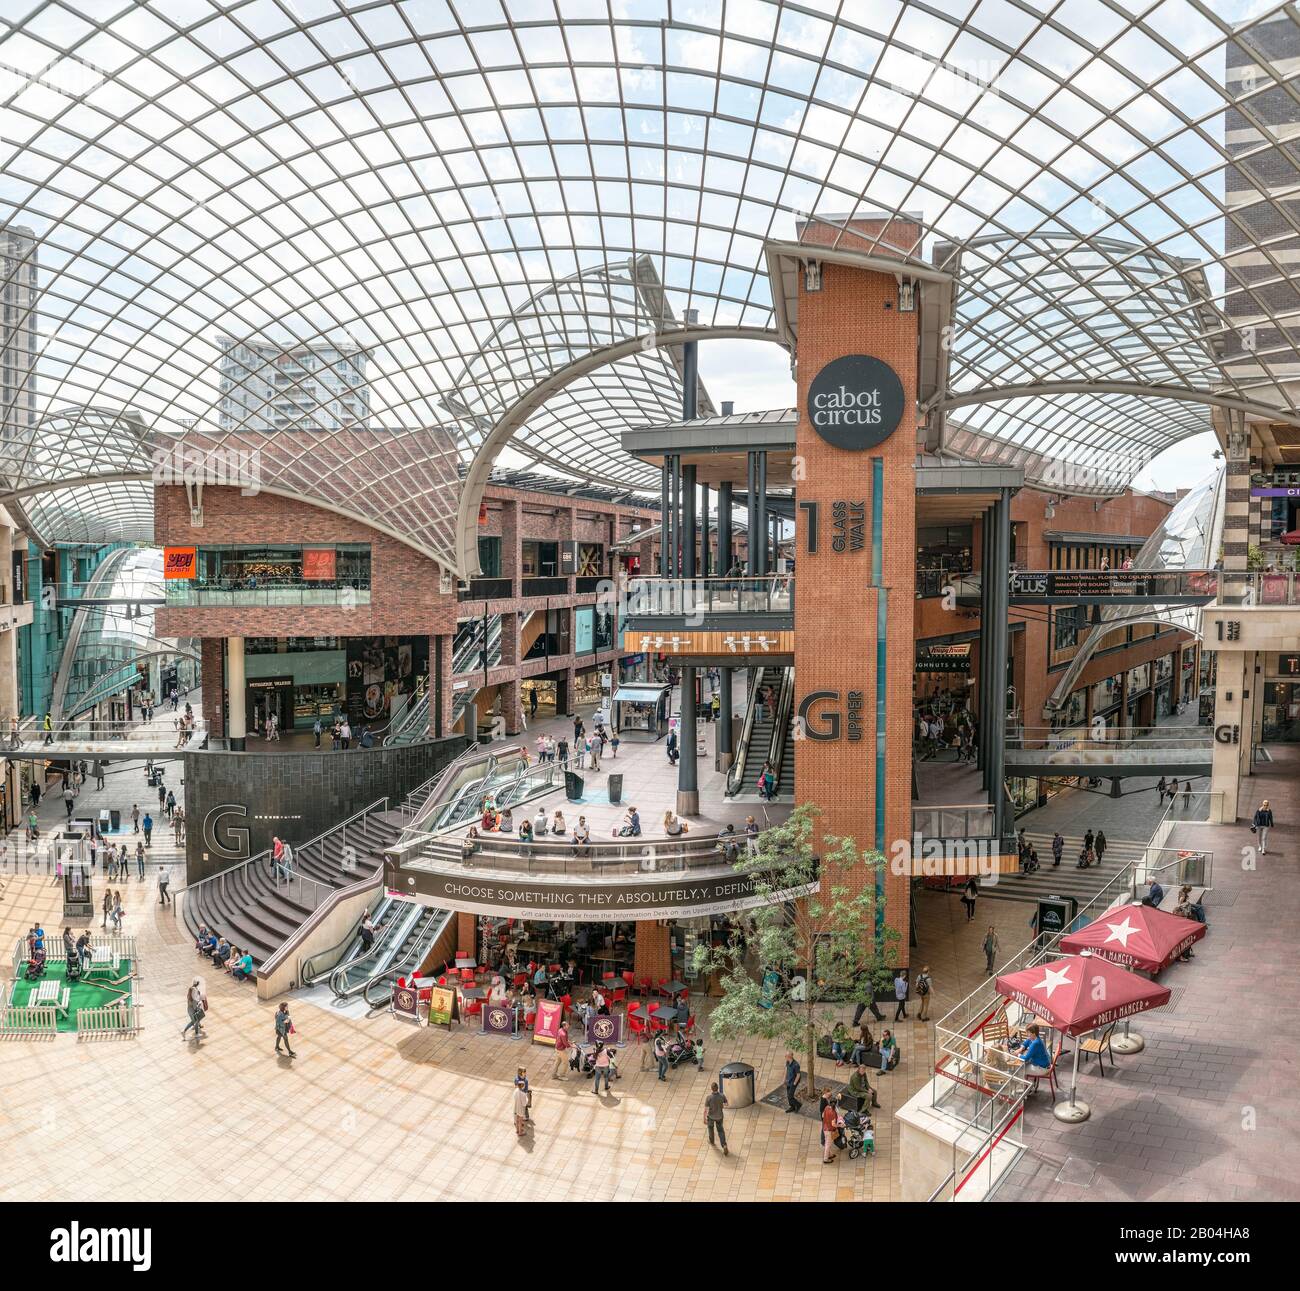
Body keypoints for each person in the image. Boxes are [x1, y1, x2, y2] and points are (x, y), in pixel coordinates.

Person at [704, 1081, 729, 1156]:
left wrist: (704, 1118)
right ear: (717, 1088)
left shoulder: (709, 1098)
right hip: (719, 1116)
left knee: (710, 1128)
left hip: (711, 1116)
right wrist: (721, 1106)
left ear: (711, 1089)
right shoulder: (722, 1096)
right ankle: (724, 1145)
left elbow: (706, 1109)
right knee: (720, 1130)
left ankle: (712, 1141)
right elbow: (727, 1104)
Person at [821, 1093, 838, 1164]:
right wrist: (839, 1126)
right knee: (828, 1144)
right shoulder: (834, 1113)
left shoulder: (826, 1108)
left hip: (825, 1128)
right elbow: (833, 1124)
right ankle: (825, 1158)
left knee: (828, 1143)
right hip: (830, 1130)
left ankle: (830, 1154)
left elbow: (822, 1116)